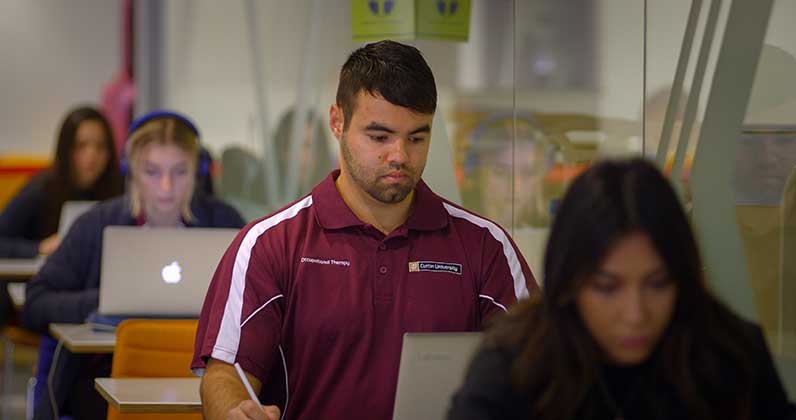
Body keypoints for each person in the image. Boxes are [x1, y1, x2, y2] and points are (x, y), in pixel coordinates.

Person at [192, 40, 539, 420]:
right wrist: (233, 412)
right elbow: (224, 373)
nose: (399, 157)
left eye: (417, 138)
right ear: (337, 122)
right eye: (379, 137)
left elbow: (541, 367)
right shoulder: (270, 244)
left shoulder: (486, 246)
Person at [447, 158, 796, 420]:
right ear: (569, 282)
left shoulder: (731, 354)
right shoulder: (515, 365)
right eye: (607, 287)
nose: (635, 315)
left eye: (657, 284)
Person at [22, 110, 245, 420]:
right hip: (106, 378)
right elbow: (35, 303)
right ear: (131, 171)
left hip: (202, 380)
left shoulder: (225, 223)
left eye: (180, 172)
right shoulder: (96, 223)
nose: (166, 187)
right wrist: (106, 301)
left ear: (198, 172)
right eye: (152, 172)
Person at [0, 106, 123, 258]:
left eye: (101, 146)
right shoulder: (40, 189)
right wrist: (38, 248)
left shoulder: (118, 189)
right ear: (66, 149)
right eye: (81, 146)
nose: (92, 155)